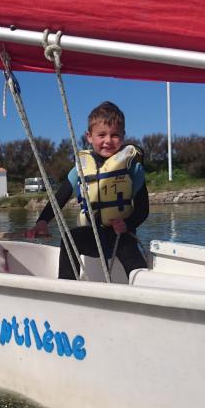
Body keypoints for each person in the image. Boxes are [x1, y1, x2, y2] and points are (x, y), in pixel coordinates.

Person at [26, 101, 149, 280]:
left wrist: (127, 224)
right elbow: (60, 196)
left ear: (123, 136)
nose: (108, 140)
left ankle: (145, 293)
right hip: (91, 235)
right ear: (89, 137)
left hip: (122, 235)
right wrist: (43, 220)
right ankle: (67, 287)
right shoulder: (81, 168)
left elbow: (143, 209)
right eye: (102, 135)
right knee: (70, 238)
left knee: (132, 255)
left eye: (115, 135)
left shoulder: (132, 168)